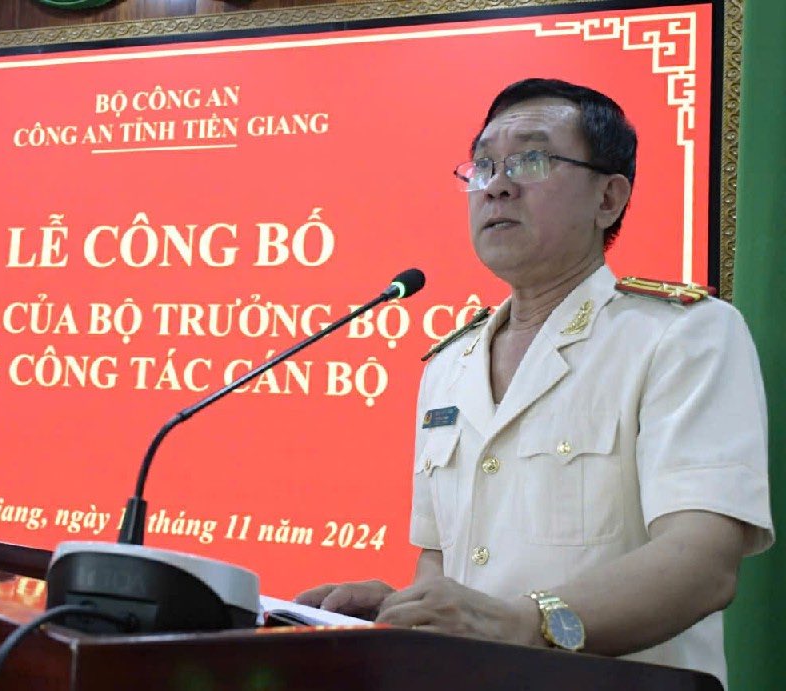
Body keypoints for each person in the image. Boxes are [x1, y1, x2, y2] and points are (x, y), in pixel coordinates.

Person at [295, 78, 773, 687]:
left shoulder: (683, 336)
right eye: (484, 164)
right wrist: (398, 615)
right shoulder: (451, 364)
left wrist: (527, 623)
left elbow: (701, 564)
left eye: (532, 158)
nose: (496, 183)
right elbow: (443, 565)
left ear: (609, 199)